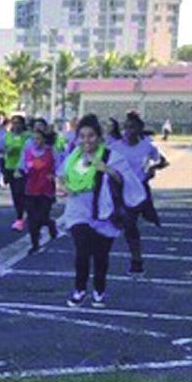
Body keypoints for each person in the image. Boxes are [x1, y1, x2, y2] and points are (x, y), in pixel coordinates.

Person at [56, 115, 136, 307]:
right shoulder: (73, 157)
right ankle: (79, 289)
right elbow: (60, 176)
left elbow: (126, 181)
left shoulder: (111, 156)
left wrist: (106, 169)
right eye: (82, 136)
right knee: (82, 251)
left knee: (101, 255)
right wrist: (64, 187)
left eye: (91, 136)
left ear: (99, 137)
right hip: (78, 212)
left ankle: (99, 290)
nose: (86, 141)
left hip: (104, 213)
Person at [108, 114, 168, 273]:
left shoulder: (147, 146)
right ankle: (134, 259)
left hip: (140, 188)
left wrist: (153, 169)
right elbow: (105, 165)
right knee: (125, 224)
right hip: (121, 189)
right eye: (126, 127)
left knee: (133, 222)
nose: (128, 131)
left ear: (140, 129)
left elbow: (162, 161)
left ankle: (137, 259)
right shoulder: (115, 146)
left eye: (132, 127)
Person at [21, 122, 59, 253]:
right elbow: (22, 166)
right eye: (33, 139)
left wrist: (55, 175)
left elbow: (60, 166)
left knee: (41, 217)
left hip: (46, 189)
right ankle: (35, 244)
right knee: (32, 219)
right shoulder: (28, 152)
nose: (35, 142)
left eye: (38, 139)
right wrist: (24, 170)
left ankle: (50, 223)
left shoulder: (51, 151)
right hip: (31, 188)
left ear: (43, 139)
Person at [2, 114, 28, 231]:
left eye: (18, 123)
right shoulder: (8, 135)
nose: (16, 125)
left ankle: (22, 216)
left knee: (21, 191)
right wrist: (9, 150)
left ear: (23, 124)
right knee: (15, 194)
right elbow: (4, 149)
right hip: (10, 166)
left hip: (23, 167)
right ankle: (19, 216)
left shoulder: (27, 136)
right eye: (14, 123)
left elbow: (28, 149)